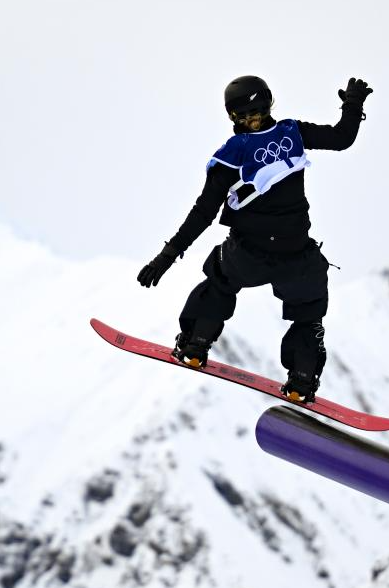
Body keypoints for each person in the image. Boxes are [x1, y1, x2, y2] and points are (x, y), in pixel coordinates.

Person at [137, 75, 372, 403]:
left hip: (248, 255)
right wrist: (353, 105)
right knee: (308, 311)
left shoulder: (233, 152)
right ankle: (302, 381)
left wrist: (167, 256)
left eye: (253, 114)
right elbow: (342, 137)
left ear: (232, 115)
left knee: (219, 280)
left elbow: (204, 212)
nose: (253, 120)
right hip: (297, 257)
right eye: (250, 114)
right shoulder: (293, 133)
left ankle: (195, 346)